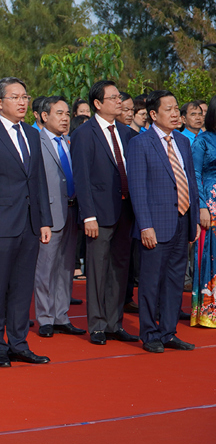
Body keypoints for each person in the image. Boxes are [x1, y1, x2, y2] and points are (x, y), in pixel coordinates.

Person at [0, 79, 52, 368]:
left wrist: (44, 220)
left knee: (21, 288)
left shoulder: (32, 134)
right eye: (15, 97)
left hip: (30, 224)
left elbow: (38, 180)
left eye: (25, 97)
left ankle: (18, 343)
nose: (22, 102)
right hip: (0, 225)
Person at [128, 90, 200, 352]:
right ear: (153, 114)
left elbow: (190, 181)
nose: (174, 113)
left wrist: (193, 220)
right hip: (155, 226)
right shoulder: (140, 143)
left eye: (176, 108)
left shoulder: (181, 141)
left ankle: (169, 331)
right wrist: (145, 225)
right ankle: (150, 334)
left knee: (174, 280)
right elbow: (137, 188)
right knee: (150, 281)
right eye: (168, 109)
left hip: (182, 222)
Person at [71, 80, 139, 345]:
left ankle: (114, 323)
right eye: (113, 97)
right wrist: (88, 215)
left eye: (119, 96)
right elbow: (82, 177)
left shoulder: (127, 133)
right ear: (98, 104)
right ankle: (97, 325)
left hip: (125, 211)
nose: (119, 101)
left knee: (120, 269)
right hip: (98, 214)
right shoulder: (84, 134)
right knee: (98, 270)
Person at [34, 96, 86, 338]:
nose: (65, 118)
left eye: (67, 114)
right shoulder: (36, 141)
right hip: (50, 213)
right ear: (45, 116)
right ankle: (44, 317)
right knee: (45, 268)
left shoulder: (68, 141)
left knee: (66, 268)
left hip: (72, 209)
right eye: (60, 113)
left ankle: (61, 316)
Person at [192, 96, 216, 328]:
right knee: (211, 256)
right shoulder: (202, 142)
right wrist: (201, 206)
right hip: (211, 205)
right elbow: (194, 176)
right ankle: (208, 311)